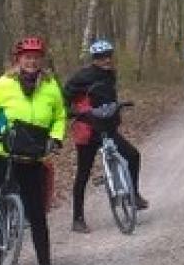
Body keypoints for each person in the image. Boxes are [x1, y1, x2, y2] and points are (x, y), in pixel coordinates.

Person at [0, 36, 65, 265]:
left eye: (35, 58)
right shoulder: (4, 83)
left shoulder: (51, 86)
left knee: (37, 214)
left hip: (32, 157)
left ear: (41, 60)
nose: (31, 61)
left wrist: (55, 137)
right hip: (1, 151)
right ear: (18, 60)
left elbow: (59, 116)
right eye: (26, 57)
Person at [63, 39, 149, 234]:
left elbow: (107, 97)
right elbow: (65, 98)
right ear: (94, 59)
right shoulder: (82, 76)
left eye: (109, 55)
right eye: (102, 57)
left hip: (107, 129)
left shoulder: (111, 74)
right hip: (87, 130)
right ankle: (77, 219)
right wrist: (75, 112)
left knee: (133, 155)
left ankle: (134, 195)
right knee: (83, 174)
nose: (106, 59)